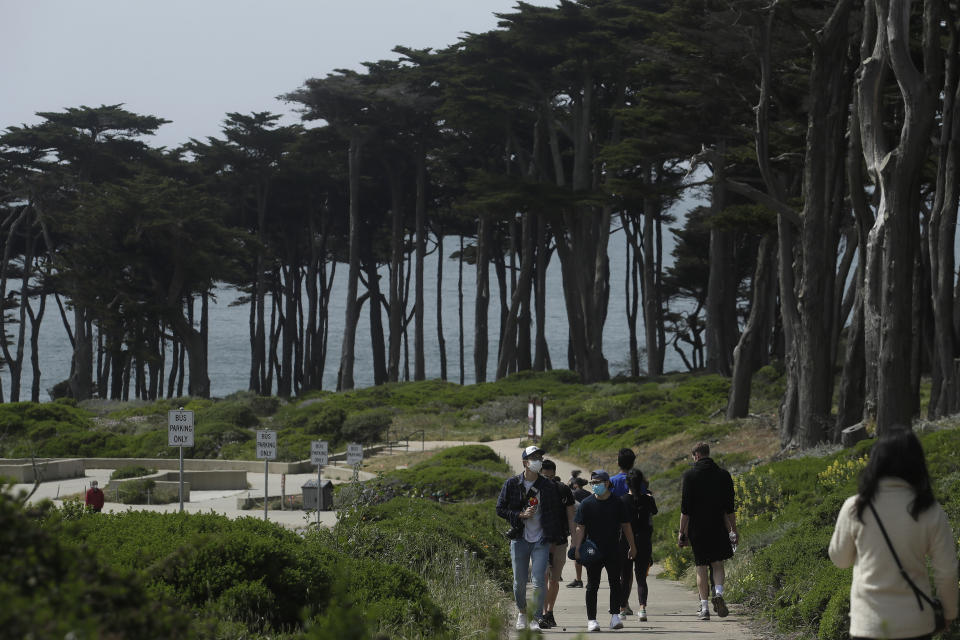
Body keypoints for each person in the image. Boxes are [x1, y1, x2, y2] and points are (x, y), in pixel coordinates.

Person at [829, 429, 958, 640]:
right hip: (916, 624)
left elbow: (840, 560)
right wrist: (949, 612)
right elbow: (947, 571)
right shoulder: (929, 510)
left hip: (868, 625)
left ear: (875, 463)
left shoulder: (855, 507)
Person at [496, 445, 565, 632]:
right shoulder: (511, 484)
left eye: (540, 457)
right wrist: (520, 515)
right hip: (519, 538)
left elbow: (554, 513)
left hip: (541, 540)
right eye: (534, 457)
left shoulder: (548, 486)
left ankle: (536, 617)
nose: (538, 460)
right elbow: (500, 509)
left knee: (539, 581)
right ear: (525, 462)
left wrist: (553, 538)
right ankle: (522, 612)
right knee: (519, 582)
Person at [572, 469, 637, 632]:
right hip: (592, 550)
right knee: (592, 585)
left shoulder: (618, 502)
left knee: (616, 583)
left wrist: (632, 546)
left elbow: (626, 525)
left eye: (598, 482)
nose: (595, 485)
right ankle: (592, 620)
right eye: (593, 483)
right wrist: (577, 548)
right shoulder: (586, 504)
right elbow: (580, 527)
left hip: (614, 549)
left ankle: (615, 616)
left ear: (607, 483)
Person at [678, 442, 737, 621]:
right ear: (708, 454)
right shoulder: (723, 475)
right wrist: (733, 530)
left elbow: (685, 509)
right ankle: (718, 592)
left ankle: (704, 608)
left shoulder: (690, 476)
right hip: (718, 525)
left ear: (696, 455)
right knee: (718, 564)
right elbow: (729, 508)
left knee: (701, 567)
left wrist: (682, 532)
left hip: (697, 528)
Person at [539, 459, 576, 629]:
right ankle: (543, 613)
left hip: (560, 540)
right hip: (540, 541)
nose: (548, 480)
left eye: (551, 476)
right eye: (544, 476)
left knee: (554, 579)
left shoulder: (563, 489)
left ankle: (549, 612)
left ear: (555, 474)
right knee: (543, 577)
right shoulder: (535, 489)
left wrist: (574, 541)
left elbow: (571, 517)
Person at [620, 468, 657, 622]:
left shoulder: (622, 500)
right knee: (641, 577)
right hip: (644, 540)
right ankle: (642, 608)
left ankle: (622, 608)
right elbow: (654, 512)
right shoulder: (648, 499)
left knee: (625, 577)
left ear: (627, 483)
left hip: (625, 542)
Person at [609, 448, 637, 614]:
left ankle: (617, 601)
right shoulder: (637, 480)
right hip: (633, 530)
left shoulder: (612, 481)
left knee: (616, 570)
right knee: (628, 570)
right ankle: (624, 603)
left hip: (614, 531)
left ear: (618, 462)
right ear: (633, 462)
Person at [566, 476, 590, 589]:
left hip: (577, 527)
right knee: (590, 553)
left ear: (575, 484)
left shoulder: (573, 495)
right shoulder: (589, 494)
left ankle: (579, 579)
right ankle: (591, 579)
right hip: (589, 527)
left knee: (577, 553)